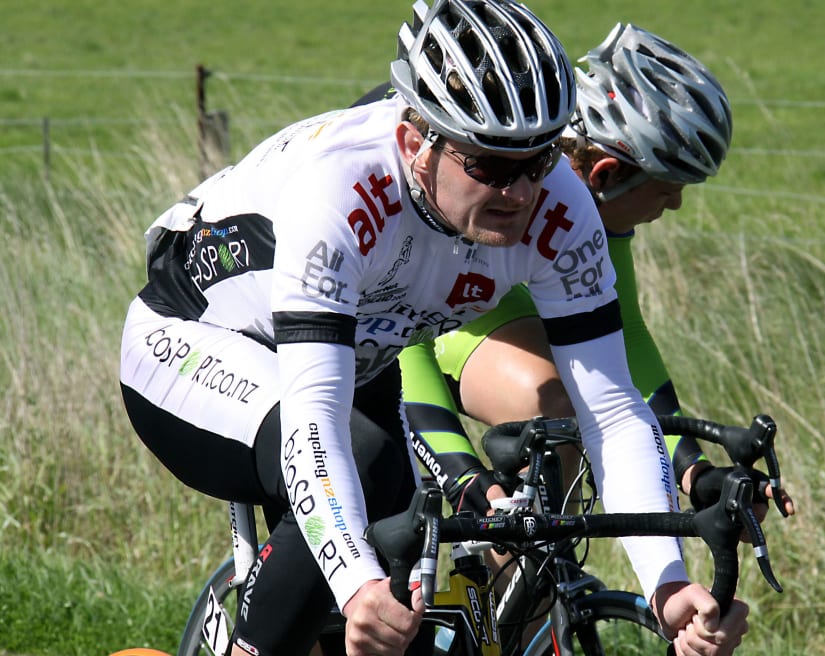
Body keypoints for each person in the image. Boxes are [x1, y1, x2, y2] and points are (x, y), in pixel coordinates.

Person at [119, 3, 750, 656]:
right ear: (417, 143)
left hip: (353, 361)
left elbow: (613, 412)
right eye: (491, 167)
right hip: (193, 344)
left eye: (538, 161)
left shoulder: (560, 204)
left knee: (410, 597)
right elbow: (313, 425)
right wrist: (358, 585)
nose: (522, 191)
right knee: (363, 480)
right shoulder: (340, 189)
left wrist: (668, 586)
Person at [401, 23, 796, 524]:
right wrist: (460, 476)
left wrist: (694, 472)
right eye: (670, 185)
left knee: (552, 489)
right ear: (606, 173)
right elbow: (402, 336)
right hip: (363, 325)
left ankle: (527, 590)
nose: (675, 204)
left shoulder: (583, 209)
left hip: (470, 312)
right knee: (554, 406)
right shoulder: (484, 186)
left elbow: (624, 332)